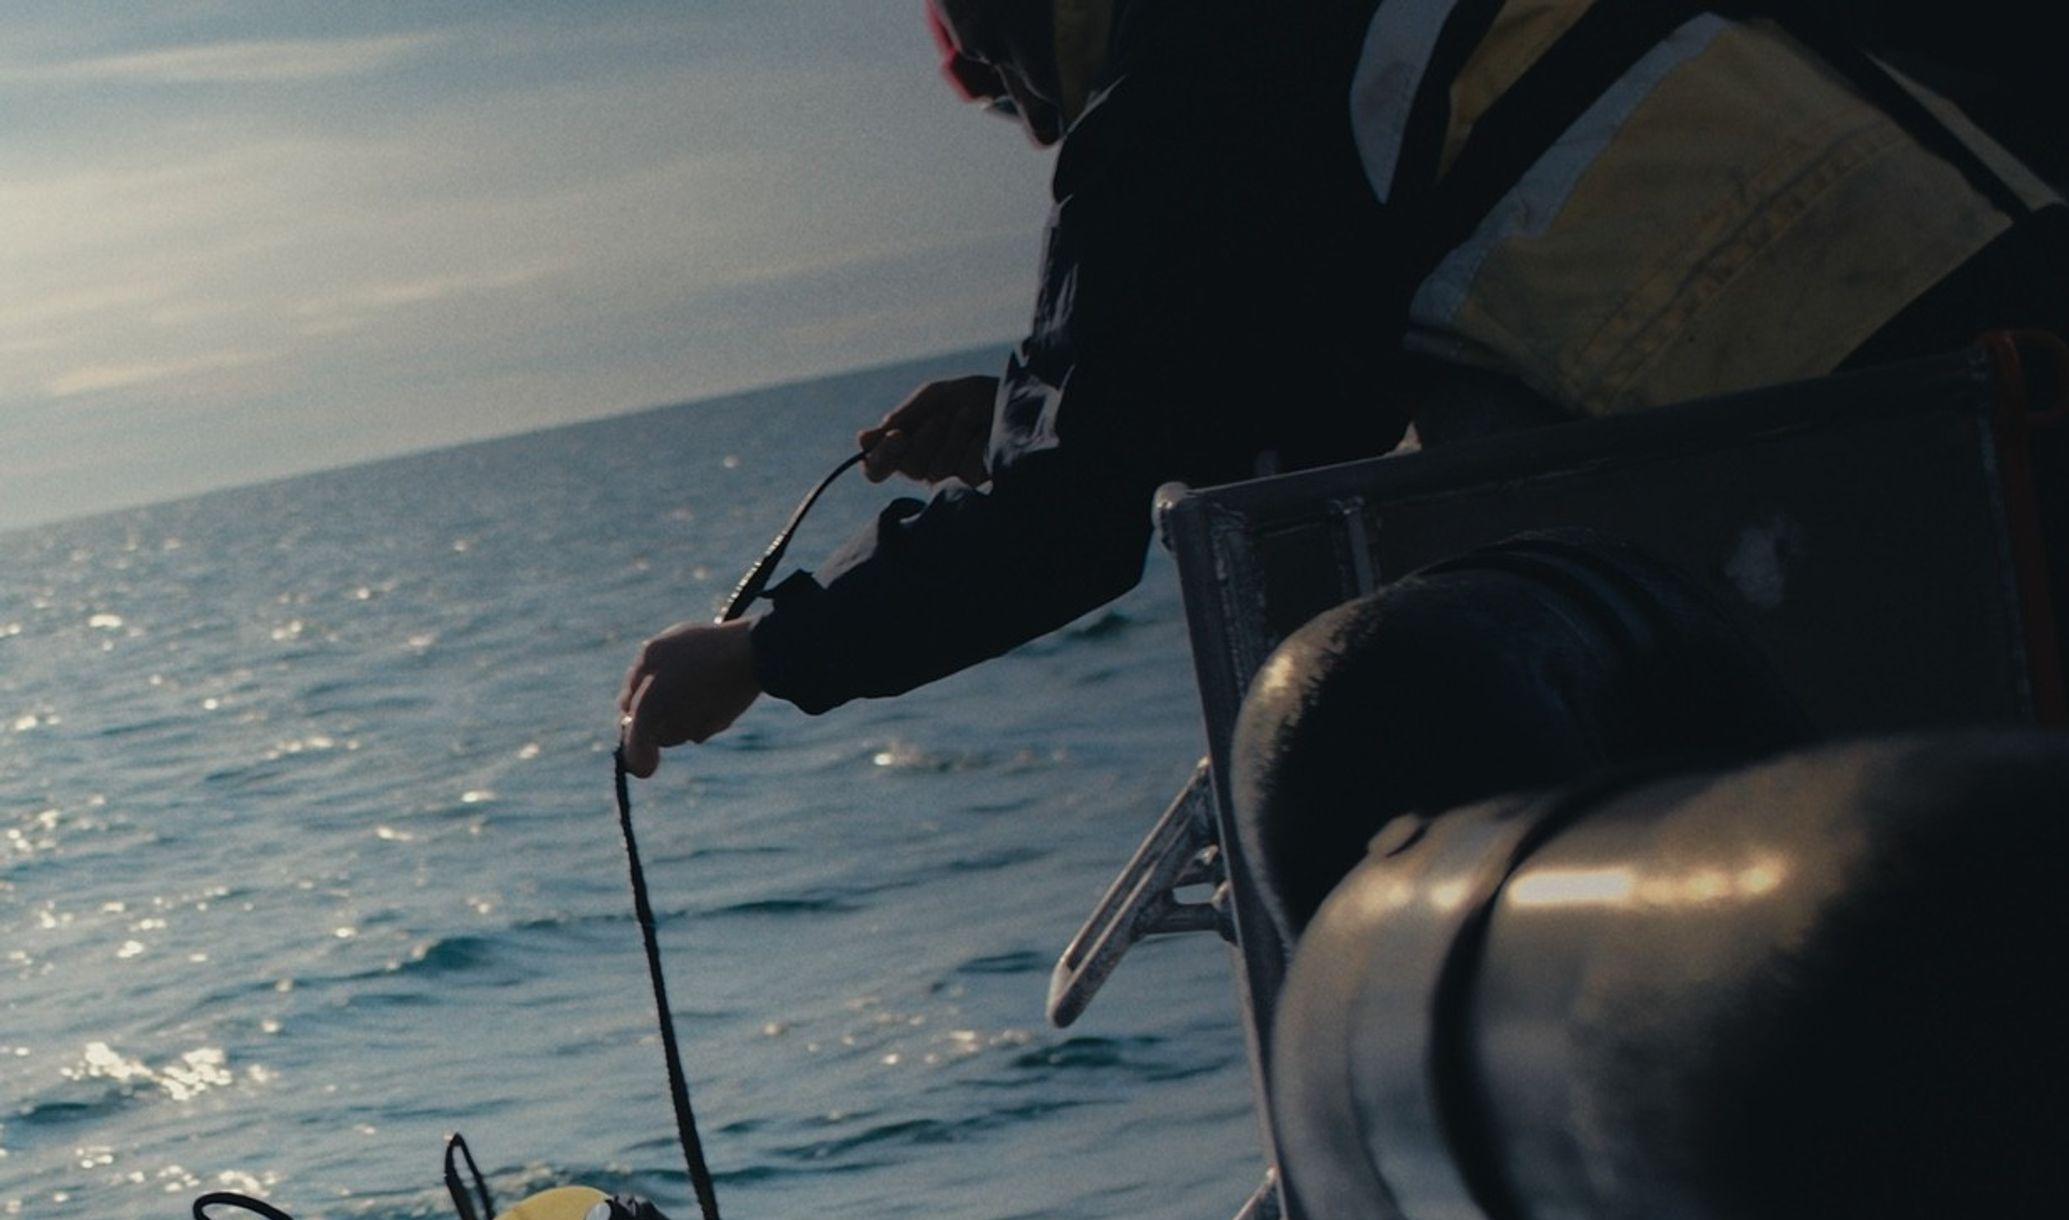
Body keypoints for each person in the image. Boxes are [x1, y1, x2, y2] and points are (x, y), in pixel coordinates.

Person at [617, 0, 2066, 775]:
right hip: (2008, 333)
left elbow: (1072, 529)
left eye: (1001, 92)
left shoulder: (1175, 82)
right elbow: (1306, 371)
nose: (1027, 134)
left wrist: (756, 656)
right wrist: (1015, 420)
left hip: (1909, 456)